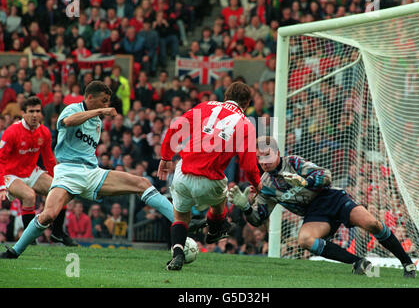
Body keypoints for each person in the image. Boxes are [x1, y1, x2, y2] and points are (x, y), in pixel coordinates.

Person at [1, 81, 175, 259]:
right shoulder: (72, 109)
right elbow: (68, 122)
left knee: (142, 183)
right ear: (90, 97)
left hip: (92, 172)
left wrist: (99, 113)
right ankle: (15, 251)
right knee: (48, 215)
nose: (106, 105)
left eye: (108, 102)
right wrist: (100, 111)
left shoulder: (97, 122)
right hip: (68, 172)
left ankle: (180, 222)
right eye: (103, 101)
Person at [228, 136, 417, 278]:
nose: (263, 161)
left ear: (277, 153)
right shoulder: (265, 185)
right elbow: (258, 219)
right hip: (314, 213)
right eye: (259, 157)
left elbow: (326, 176)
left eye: (267, 155)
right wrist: (245, 207)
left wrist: (304, 181)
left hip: (332, 198)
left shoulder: (293, 162)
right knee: (305, 240)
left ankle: (407, 263)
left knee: (372, 223)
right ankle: (358, 263)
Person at [158, 81, 262, 271]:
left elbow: (176, 128)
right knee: (220, 201)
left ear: (225, 96)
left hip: (182, 172)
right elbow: (248, 165)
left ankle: (178, 253)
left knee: (180, 216)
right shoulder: (247, 124)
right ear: (246, 104)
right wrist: (257, 183)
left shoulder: (206, 106)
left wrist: (166, 156)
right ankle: (214, 230)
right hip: (211, 178)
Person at [0, 96, 76, 246]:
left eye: (38, 111)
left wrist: (58, 179)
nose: (35, 115)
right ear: (23, 113)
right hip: (11, 174)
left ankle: (57, 233)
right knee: (29, 196)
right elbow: (0, 159)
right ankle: (30, 240)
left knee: (61, 190)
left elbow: (49, 159)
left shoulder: (44, 132)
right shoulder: (11, 132)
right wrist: (2, 185)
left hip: (32, 172)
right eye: (31, 111)